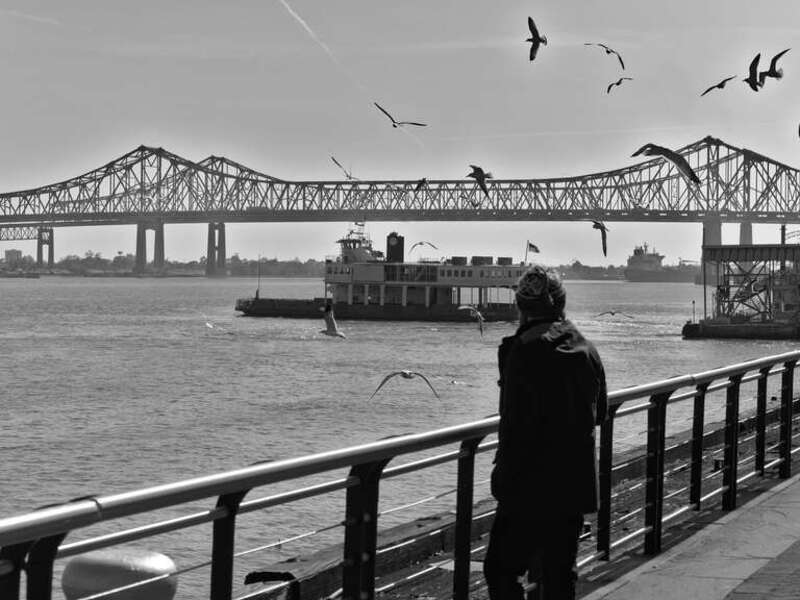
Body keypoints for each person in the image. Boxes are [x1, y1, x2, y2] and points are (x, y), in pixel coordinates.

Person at [483, 265, 607, 600]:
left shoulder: (521, 352)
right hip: (572, 483)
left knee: (500, 570)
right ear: (560, 305)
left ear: (520, 307)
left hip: (528, 483)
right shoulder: (587, 349)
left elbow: (514, 423)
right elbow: (601, 414)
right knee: (559, 574)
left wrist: (503, 477)